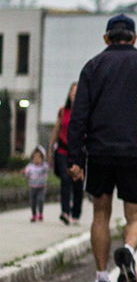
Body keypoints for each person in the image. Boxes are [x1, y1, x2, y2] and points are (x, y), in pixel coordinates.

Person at [67, 14, 137, 282]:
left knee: (100, 214)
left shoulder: (92, 66)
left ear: (106, 38)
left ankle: (102, 279)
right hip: (135, 152)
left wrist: (74, 158)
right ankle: (126, 252)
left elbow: (78, 116)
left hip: (99, 152)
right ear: (134, 38)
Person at [49, 83, 83, 226]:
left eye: (77, 92)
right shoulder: (63, 111)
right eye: (72, 92)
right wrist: (51, 148)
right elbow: (57, 129)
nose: (74, 94)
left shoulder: (84, 111)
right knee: (65, 179)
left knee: (77, 182)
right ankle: (65, 212)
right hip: (63, 150)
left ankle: (76, 212)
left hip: (79, 151)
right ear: (69, 94)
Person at [23, 146, 50, 223]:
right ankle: (34, 214)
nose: (37, 159)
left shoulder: (43, 166)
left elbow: (48, 168)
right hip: (32, 187)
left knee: (40, 200)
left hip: (41, 187)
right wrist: (24, 174)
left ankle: (40, 213)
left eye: (39, 157)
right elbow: (26, 173)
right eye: (35, 157)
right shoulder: (30, 167)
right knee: (33, 202)